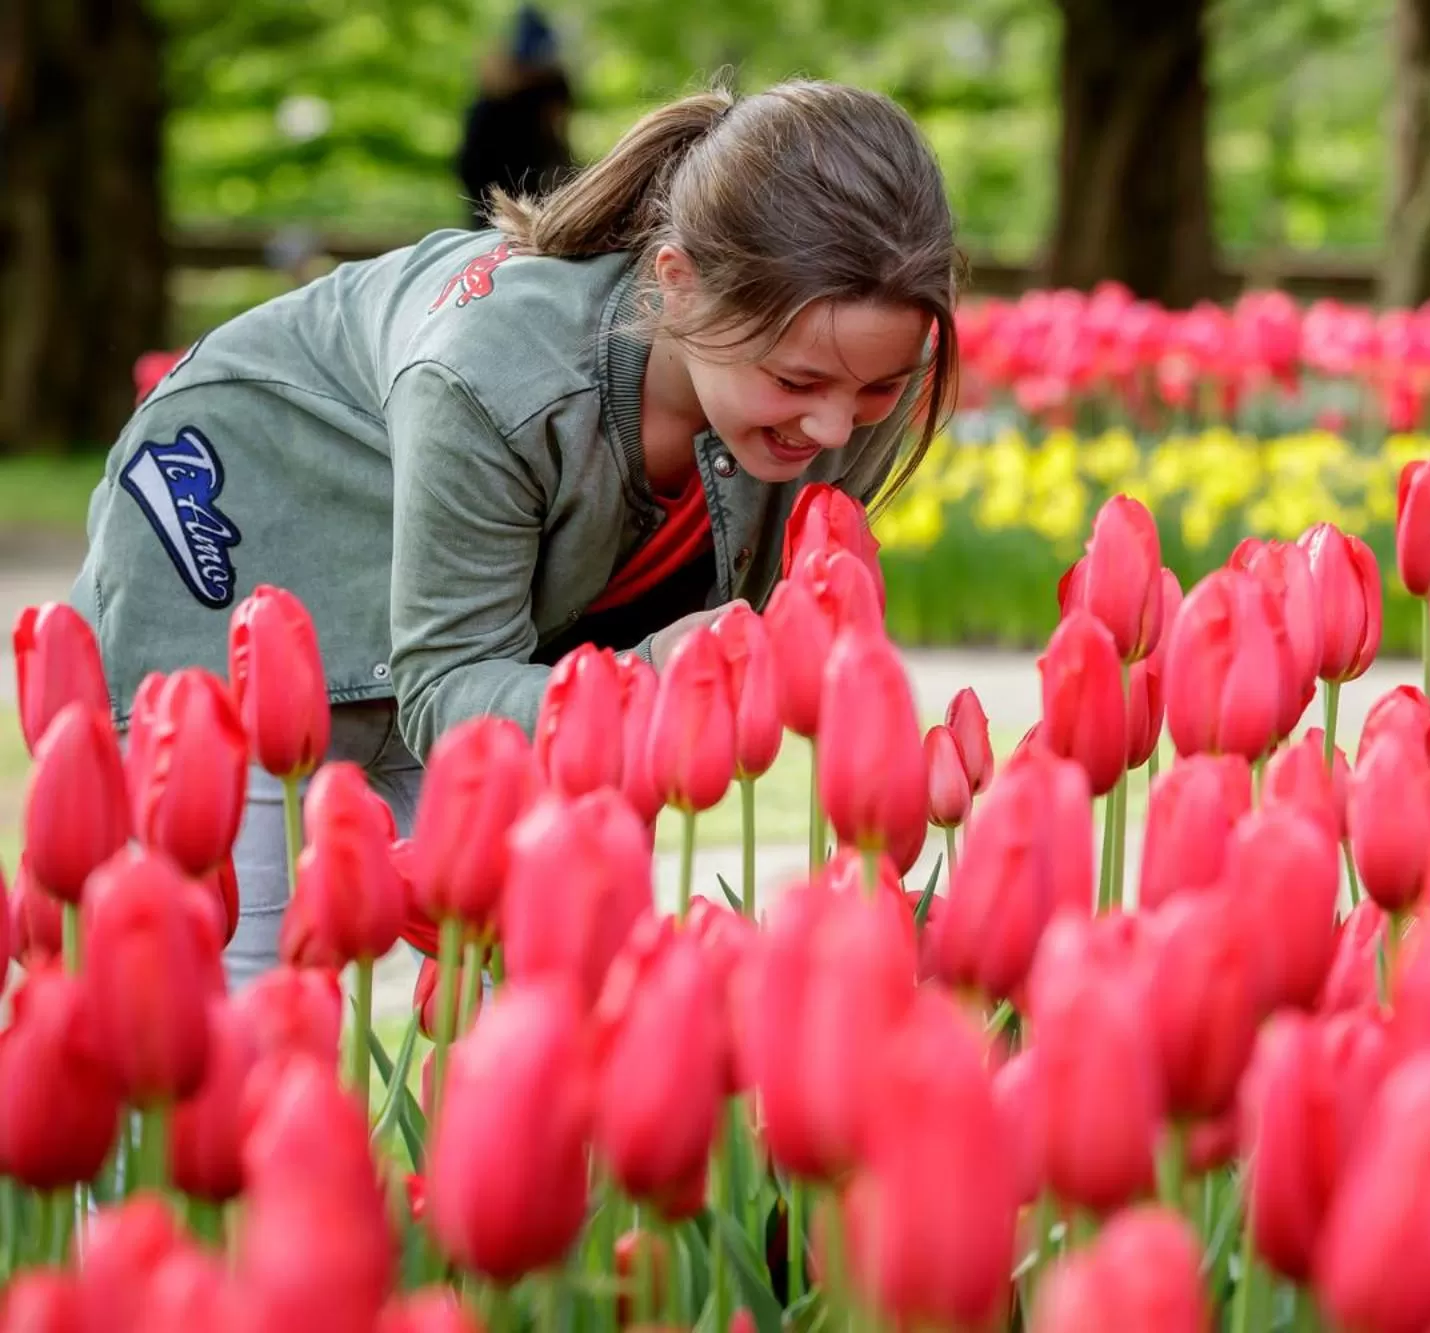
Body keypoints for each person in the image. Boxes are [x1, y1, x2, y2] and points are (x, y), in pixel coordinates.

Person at [73, 78, 965, 988]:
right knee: (233, 1011)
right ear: (680, 286)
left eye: (875, 390)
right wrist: (652, 680)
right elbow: (446, 684)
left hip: (487, 654)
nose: (831, 429)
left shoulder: (855, 365)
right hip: (239, 542)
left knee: (550, 993)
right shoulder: (498, 380)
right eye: (796, 380)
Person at [455, 6, 577, 228]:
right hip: (491, 184)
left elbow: (557, 139)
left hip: (531, 183)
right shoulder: (494, 97)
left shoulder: (551, 86)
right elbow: (474, 164)